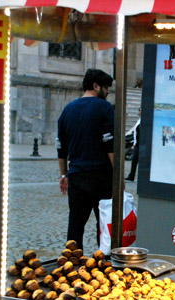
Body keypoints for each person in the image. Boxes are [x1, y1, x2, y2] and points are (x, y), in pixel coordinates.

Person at [56, 68, 115, 251]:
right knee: (104, 225)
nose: (108, 92)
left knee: (75, 224)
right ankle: (104, 264)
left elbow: (60, 147)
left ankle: (71, 264)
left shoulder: (67, 109)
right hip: (101, 176)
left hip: (76, 176)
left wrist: (64, 174)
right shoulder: (105, 108)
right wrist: (118, 175)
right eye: (106, 88)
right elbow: (110, 145)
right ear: (96, 86)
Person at [125, 107, 140, 181]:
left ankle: (133, 176)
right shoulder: (139, 120)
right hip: (137, 143)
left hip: (141, 144)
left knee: (137, 160)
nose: (139, 112)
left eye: (140, 110)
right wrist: (135, 143)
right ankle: (131, 175)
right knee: (134, 160)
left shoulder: (143, 121)